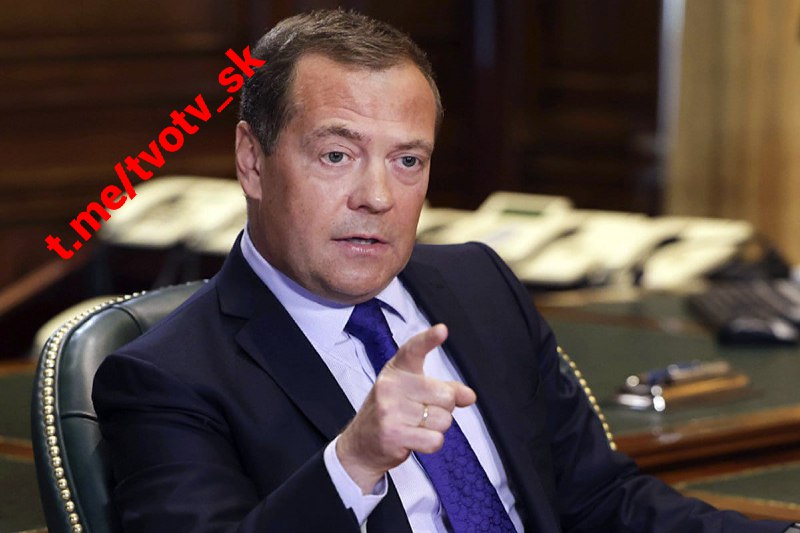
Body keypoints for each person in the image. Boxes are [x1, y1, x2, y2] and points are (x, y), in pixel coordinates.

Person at [92, 9, 797, 533]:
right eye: (337, 155)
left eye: (408, 160)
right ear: (252, 160)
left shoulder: (480, 285)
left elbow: (601, 500)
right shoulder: (166, 376)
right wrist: (354, 461)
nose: (377, 196)